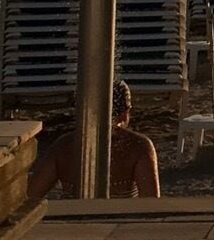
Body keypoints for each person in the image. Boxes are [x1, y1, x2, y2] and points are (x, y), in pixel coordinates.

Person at [27, 80, 162, 202]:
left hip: (73, 222)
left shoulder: (64, 145)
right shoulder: (138, 146)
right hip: (119, 219)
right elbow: (150, 202)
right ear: (125, 112)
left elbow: (31, 194)